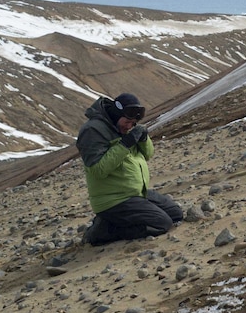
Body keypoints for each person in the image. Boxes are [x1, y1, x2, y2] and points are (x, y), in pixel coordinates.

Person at [76, 92, 182, 245]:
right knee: (161, 223)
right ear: (116, 113)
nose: (129, 126)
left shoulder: (124, 128)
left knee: (175, 214)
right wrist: (125, 144)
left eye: (133, 123)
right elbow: (98, 170)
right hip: (113, 199)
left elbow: (148, 154)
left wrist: (143, 139)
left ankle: (111, 222)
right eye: (127, 121)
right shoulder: (92, 130)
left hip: (135, 193)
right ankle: (101, 232)